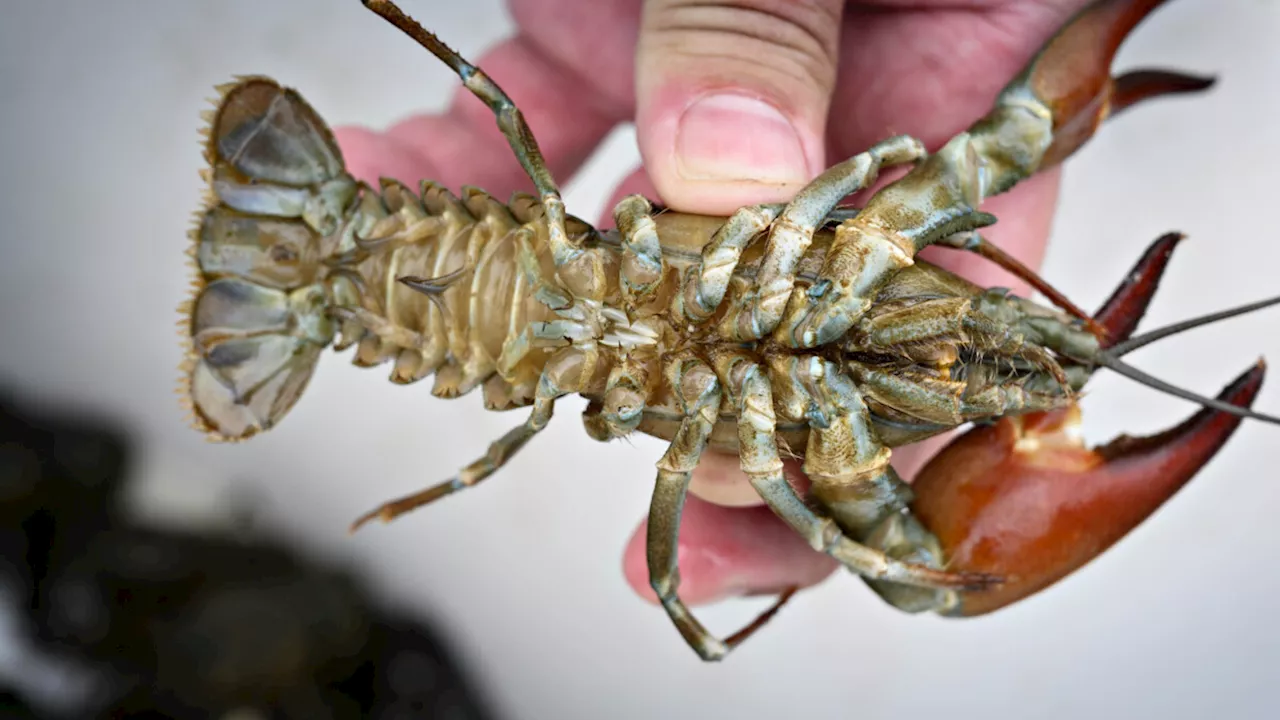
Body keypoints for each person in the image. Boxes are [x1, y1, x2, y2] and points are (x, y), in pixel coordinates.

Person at [334, 0, 1090, 608]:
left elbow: (901, 563)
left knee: (755, 497)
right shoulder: (862, 250)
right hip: (494, 273)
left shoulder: (838, 406)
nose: (975, 360)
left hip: (530, 346)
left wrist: (898, 563)